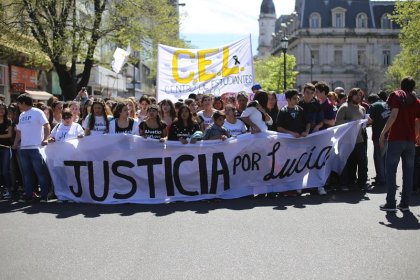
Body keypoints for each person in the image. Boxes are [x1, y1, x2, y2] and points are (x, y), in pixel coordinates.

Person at [379, 76, 420, 212]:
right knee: (408, 172)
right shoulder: (416, 101)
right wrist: (417, 136)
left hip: (396, 138)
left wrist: (383, 132)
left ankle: (390, 203)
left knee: (391, 171)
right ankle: (405, 203)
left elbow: (394, 114)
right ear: (413, 87)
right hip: (410, 140)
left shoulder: (396, 95)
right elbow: (417, 121)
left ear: (401, 85)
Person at [12, 93, 50, 203]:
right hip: (23, 148)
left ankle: (44, 195)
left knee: (40, 173)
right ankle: (28, 195)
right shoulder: (21, 115)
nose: (18, 106)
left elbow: (47, 125)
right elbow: (19, 132)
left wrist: (46, 139)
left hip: (36, 148)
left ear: (23, 103)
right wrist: (15, 143)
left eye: (19, 103)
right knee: (27, 174)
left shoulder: (38, 112)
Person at [336, 88, 370, 191]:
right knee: (345, 163)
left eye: (360, 95)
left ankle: (362, 183)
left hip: (359, 140)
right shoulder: (344, 107)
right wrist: (351, 121)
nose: (358, 97)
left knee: (363, 162)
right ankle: (344, 184)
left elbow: (363, 125)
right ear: (351, 95)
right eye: (356, 95)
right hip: (346, 141)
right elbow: (337, 123)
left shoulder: (362, 109)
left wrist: (367, 122)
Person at [367, 93, 390, 186]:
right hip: (390, 135)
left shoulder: (373, 106)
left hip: (379, 135)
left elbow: (369, 120)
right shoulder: (387, 104)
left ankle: (381, 179)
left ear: (371, 101)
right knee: (387, 157)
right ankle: (387, 177)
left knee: (379, 157)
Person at [0, 104, 13, 199]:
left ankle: (8, 189)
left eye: (3, 108)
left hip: (5, 148)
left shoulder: (8, 121)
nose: (1, 110)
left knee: (5, 171)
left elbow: (9, 135)